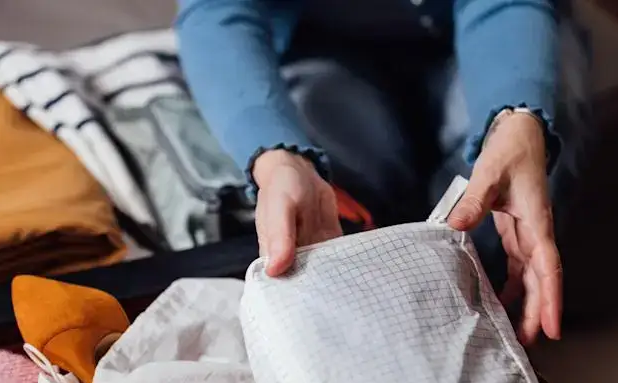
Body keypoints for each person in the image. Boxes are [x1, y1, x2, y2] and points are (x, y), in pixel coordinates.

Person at [174, 0, 591, 344]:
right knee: (326, 170)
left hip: (490, 24)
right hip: (318, 43)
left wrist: (516, 113)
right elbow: (215, 10)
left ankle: (481, 329)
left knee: (526, 147)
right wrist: (275, 154)